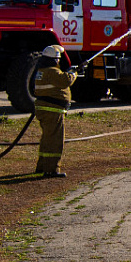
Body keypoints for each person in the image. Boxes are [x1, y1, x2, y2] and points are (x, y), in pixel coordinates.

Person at [32, 44, 76, 178]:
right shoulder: (52, 71)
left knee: (47, 139)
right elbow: (65, 81)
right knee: (55, 140)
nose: (59, 61)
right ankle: (51, 169)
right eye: (58, 59)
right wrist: (73, 73)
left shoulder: (42, 71)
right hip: (52, 110)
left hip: (46, 109)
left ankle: (42, 166)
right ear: (54, 60)